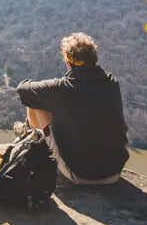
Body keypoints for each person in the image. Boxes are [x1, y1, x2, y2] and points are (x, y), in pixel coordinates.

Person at [16, 32, 129, 185]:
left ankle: (32, 135)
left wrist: (45, 91)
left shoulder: (61, 88)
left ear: (69, 63)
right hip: (114, 172)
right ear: (94, 59)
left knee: (37, 101)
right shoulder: (111, 82)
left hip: (80, 175)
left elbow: (23, 90)